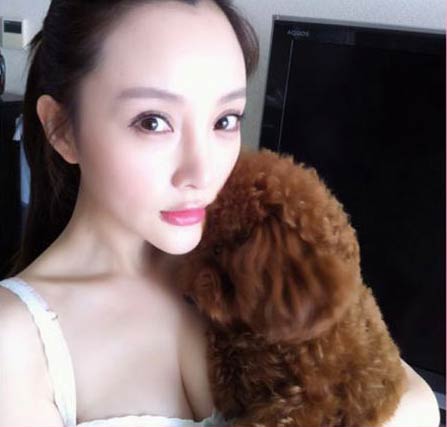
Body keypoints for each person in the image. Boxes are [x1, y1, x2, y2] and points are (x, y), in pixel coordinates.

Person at [0, 0, 440, 426]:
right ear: (61, 129)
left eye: (225, 120)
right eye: (153, 121)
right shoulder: (16, 339)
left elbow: (414, 400)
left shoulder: (250, 248)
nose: (202, 171)